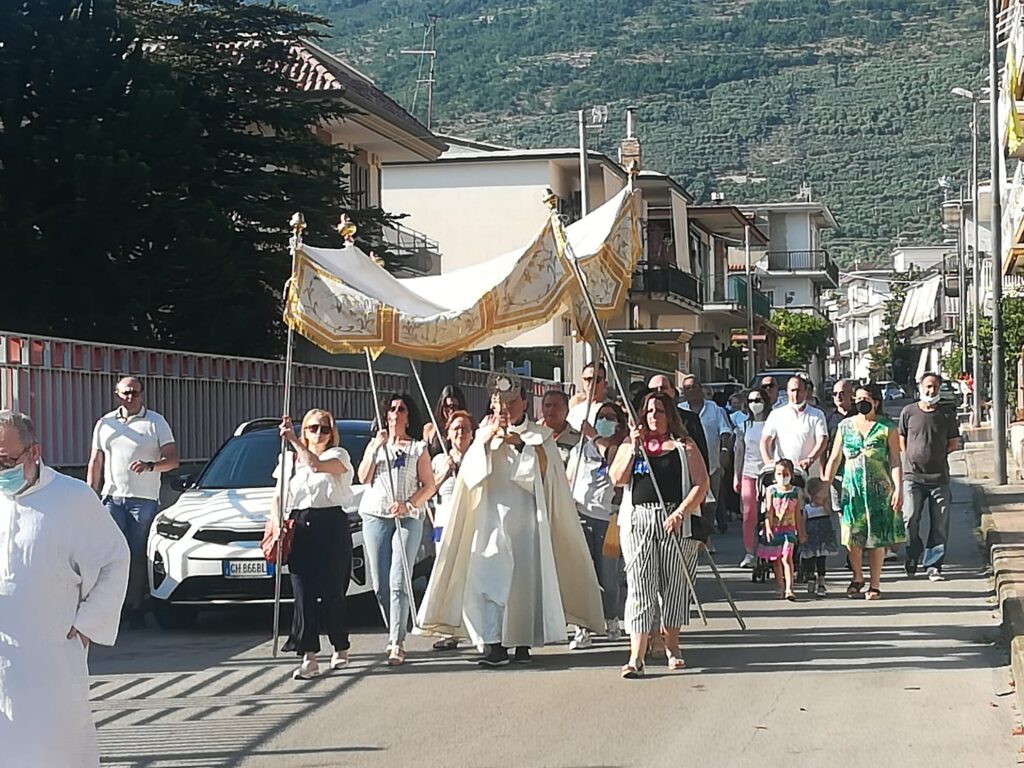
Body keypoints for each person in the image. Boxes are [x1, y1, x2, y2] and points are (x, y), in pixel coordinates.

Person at [418, 380, 604, 667]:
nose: (504, 408)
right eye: (498, 403)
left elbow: (544, 476)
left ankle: (521, 642)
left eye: (511, 402)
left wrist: (520, 447)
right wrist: (489, 442)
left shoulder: (538, 436)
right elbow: (471, 476)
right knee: (487, 581)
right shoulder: (482, 436)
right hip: (489, 520)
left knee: (522, 585)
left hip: (525, 523)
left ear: (524, 404)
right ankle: (494, 645)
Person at [0, 410, 129, 768]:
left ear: (34, 452)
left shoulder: (72, 498)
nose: (1, 471)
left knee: (57, 749)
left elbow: (115, 559)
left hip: (53, 656)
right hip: (3, 655)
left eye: (5, 460)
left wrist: (89, 621)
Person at [609, 392, 709, 678]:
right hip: (639, 521)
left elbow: (701, 483)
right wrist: (631, 445)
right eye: (650, 411)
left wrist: (680, 512)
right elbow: (617, 479)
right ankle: (636, 656)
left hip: (674, 521)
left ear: (669, 416)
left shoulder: (683, 445)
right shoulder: (632, 445)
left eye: (660, 411)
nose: (654, 416)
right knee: (640, 587)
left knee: (673, 586)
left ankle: (672, 646)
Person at [86, 376, 178, 629]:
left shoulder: (155, 422)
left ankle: (136, 605)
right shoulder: (106, 423)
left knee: (137, 555)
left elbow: (172, 459)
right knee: (111, 554)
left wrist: (151, 466)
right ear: (117, 394)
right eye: (126, 393)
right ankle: (113, 607)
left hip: (143, 500)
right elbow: (96, 461)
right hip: (112, 498)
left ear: (142, 395)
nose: (131, 397)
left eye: (135, 393)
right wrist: (89, 494)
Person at [274, 409, 355, 679]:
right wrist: (275, 524)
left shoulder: (338, 455)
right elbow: (278, 495)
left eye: (324, 429)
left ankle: (340, 645)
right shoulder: (288, 461)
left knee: (332, 591)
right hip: (299, 524)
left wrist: (295, 441)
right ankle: (309, 655)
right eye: (312, 428)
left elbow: (317, 465)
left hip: (330, 523)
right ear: (304, 430)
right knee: (302, 593)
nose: (318, 433)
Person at [358, 393, 436, 666]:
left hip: (407, 517)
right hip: (375, 515)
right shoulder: (375, 445)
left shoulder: (418, 448)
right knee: (380, 584)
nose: (395, 413)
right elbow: (363, 476)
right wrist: (375, 448)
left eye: (401, 409)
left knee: (399, 580)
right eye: (391, 409)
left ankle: (396, 640)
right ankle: (394, 625)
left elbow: (429, 486)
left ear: (408, 416)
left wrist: (408, 504)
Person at [823, 383, 905, 600]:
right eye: (857, 399)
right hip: (852, 490)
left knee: (877, 537)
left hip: (879, 490)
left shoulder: (887, 427)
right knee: (852, 535)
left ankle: (875, 583)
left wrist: (898, 489)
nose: (861, 403)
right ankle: (857, 575)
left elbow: (895, 460)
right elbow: (834, 458)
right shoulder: (845, 426)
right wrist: (824, 485)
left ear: (875, 402)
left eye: (865, 399)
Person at [566, 401, 628, 649]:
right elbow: (569, 478)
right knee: (585, 575)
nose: (605, 420)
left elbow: (614, 462)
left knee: (608, 576)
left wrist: (594, 437)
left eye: (610, 417)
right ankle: (583, 626)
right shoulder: (579, 450)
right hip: (581, 516)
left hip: (609, 519)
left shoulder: (622, 446)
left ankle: (611, 618)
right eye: (601, 417)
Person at [899, 372, 960, 581]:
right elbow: (902, 439)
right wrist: (912, 457)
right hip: (912, 477)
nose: (930, 390)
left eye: (934, 386)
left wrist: (936, 455)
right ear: (920, 387)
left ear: (939, 388)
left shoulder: (946, 415)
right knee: (910, 518)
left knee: (940, 523)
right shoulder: (908, 412)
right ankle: (913, 554)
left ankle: (933, 564)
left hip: (939, 478)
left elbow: (953, 443)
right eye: (927, 386)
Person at [428, 409, 475, 651]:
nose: (460, 433)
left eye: (465, 428)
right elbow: (428, 490)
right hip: (444, 525)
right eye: (456, 428)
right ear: (447, 434)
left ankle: (475, 628)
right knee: (447, 578)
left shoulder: (478, 458)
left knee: (471, 577)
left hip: (472, 526)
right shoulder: (438, 460)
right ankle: (449, 631)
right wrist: (445, 470)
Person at [681, 374, 734, 538]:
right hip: (687, 466)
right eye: (687, 388)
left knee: (711, 503)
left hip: (712, 464)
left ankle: (707, 537)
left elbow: (726, 432)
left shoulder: (715, 409)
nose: (692, 390)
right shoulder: (679, 410)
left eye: (695, 386)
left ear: (701, 388)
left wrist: (725, 451)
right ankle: (692, 535)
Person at [760, 375, 829, 479]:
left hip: (809, 474)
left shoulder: (817, 414)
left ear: (806, 391)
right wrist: (769, 462)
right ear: (787, 391)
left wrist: (810, 459)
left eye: (799, 390)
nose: (795, 394)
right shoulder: (776, 414)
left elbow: (822, 440)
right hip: (783, 476)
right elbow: (765, 440)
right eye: (792, 390)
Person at [734, 385, 773, 567]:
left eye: (758, 400)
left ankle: (772, 549)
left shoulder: (772, 424)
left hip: (769, 474)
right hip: (749, 473)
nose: (754, 404)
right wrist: (737, 475)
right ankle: (750, 552)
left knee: (771, 512)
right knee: (749, 514)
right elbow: (739, 451)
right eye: (750, 401)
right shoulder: (744, 426)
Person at [757, 458, 806, 601]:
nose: (782, 477)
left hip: (789, 530)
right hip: (775, 529)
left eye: (785, 474)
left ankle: (790, 589)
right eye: (779, 474)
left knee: (786, 557)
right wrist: (767, 527)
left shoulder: (796, 492)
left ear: (791, 475)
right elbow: (769, 511)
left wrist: (800, 531)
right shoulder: (771, 491)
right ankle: (780, 585)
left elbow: (798, 513)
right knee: (776, 560)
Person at [646, 374, 709, 470]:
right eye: (654, 390)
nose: (659, 392)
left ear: (672, 391)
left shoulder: (690, 419)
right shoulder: (641, 422)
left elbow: (702, 457)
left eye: (663, 388)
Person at [800, 477, 839, 597]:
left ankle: (821, 582)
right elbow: (803, 521)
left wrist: (825, 504)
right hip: (812, 538)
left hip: (823, 537)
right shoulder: (808, 508)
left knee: (821, 560)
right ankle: (811, 576)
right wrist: (802, 533)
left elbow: (829, 513)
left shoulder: (824, 506)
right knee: (810, 560)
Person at [423, 385, 468, 457]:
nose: (451, 411)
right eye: (447, 406)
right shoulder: (430, 429)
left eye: (454, 407)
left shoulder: (467, 429)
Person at [540, 389, 580, 463]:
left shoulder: (578, 440)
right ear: (542, 409)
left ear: (567, 410)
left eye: (556, 406)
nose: (551, 409)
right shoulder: (531, 434)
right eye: (548, 405)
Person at [568, 362, 608, 431]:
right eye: (588, 379)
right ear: (582, 382)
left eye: (597, 380)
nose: (592, 384)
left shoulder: (612, 410)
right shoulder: (575, 411)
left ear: (605, 383)